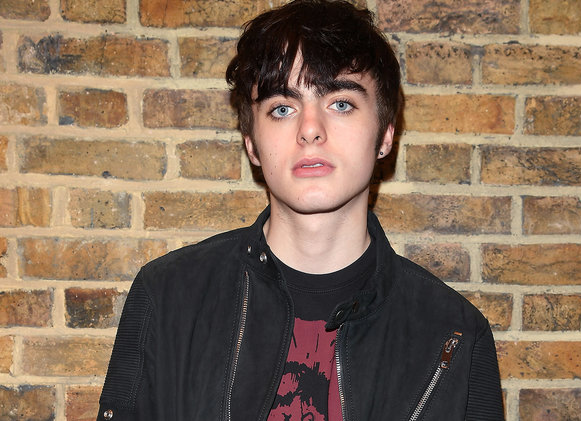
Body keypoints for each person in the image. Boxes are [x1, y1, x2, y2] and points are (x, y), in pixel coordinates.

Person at [96, 1, 504, 420]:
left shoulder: (454, 333)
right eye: (282, 108)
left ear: (385, 135)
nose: (310, 129)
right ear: (252, 144)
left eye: (340, 103)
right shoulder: (168, 297)